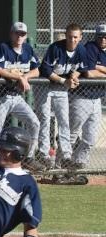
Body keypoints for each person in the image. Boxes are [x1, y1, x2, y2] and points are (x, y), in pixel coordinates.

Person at [0, 22, 43, 172]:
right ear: (11, 34)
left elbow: (37, 70)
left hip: (17, 97)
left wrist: (24, 77)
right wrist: (19, 78)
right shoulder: (3, 47)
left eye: (22, 34)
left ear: (26, 36)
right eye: (16, 33)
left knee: (34, 123)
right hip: (0, 97)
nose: (19, 36)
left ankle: (29, 158)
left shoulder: (28, 49)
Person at [37, 23, 88, 169]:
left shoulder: (81, 50)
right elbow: (45, 70)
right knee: (45, 119)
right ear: (65, 36)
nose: (72, 40)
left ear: (80, 38)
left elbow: (82, 68)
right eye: (70, 36)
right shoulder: (55, 48)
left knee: (64, 121)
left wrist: (74, 76)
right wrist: (64, 80)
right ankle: (44, 154)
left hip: (61, 89)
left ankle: (66, 155)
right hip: (44, 87)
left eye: (75, 37)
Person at [68, 24, 106, 169]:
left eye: (105, 36)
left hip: (97, 100)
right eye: (100, 36)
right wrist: (97, 69)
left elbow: (93, 69)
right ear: (95, 36)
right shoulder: (89, 48)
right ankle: (59, 163)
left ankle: (78, 162)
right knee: (72, 133)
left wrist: (99, 67)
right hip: (81, 97)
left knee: (90, 138)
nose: (103, 39)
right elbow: (89, 73)